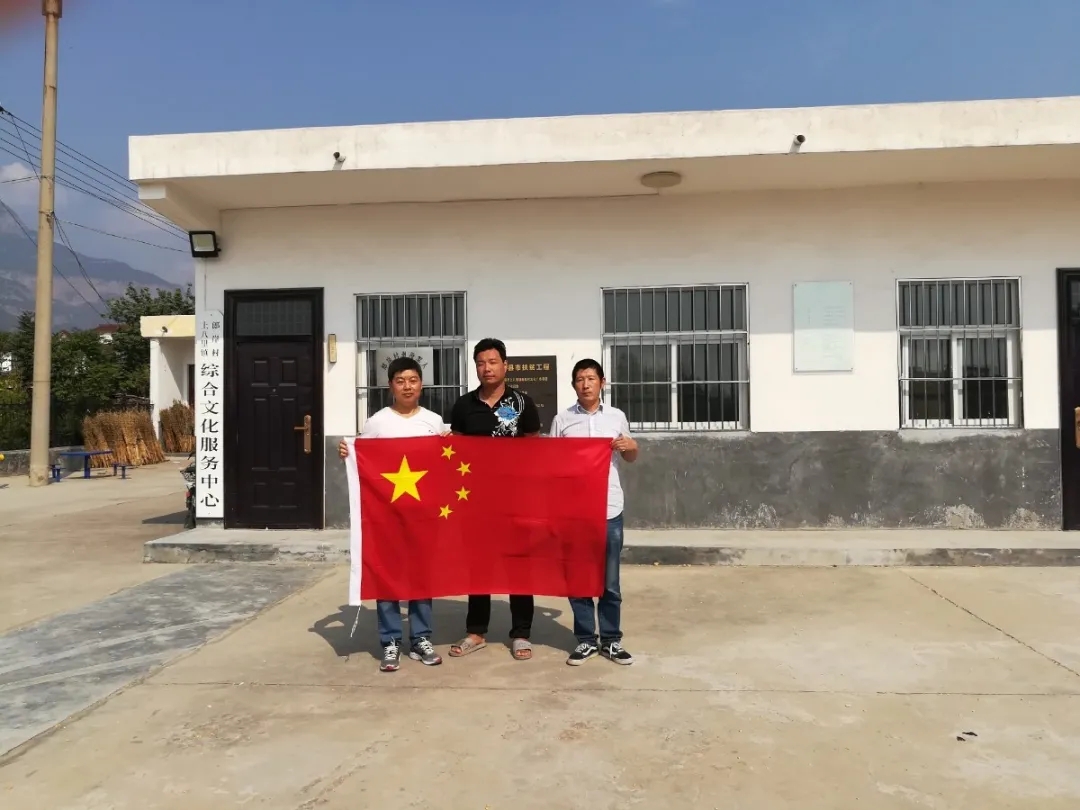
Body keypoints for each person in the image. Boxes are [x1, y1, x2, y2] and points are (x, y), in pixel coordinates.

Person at [338, 356, 446, 673]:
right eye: (400, 381)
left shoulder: (434, 421)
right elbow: (363, 459)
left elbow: (445, 465)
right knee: (387, 575)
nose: (407, 387)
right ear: (391, 386)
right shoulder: (377, 422)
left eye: (413, 380)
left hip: (423, 516)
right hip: (387, 517)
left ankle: (421, 638)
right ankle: (390, 640)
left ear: (421, 385)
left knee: (421, 576)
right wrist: (349, 452)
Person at [447, 337, 542, 661]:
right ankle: (476, 631)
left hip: (515, 500)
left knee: (519, 564)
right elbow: (455, 450)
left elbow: (534, 447)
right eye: (480, 363)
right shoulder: (464, 405)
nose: (486, 368)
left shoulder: (523, 403)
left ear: (505, 365)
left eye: (492, 362)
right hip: (475, 500)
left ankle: (521, 633)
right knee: (478, 565)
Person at [548, 358, 638, 666]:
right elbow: (553, 463)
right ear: (573, 385)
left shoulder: (616, 417)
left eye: (591, 378)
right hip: (574, 512)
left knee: (609, 582)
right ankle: (586, 640)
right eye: (580, 379)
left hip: (609, 509)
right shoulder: (562, 420)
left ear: (602, 382)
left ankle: (611, 640)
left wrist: (631, 446)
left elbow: (630, 457)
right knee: (579, 579)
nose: (585, 384)